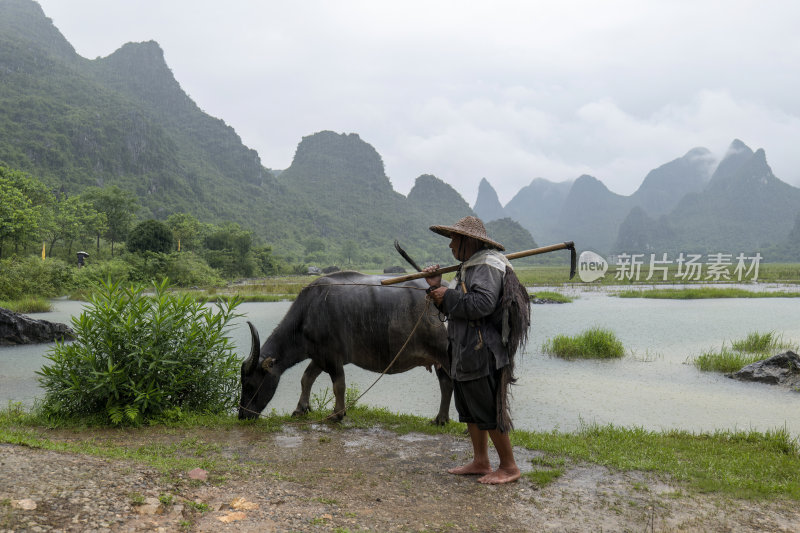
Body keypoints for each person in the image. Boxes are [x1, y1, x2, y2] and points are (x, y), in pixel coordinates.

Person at [423, 215, 528, 484]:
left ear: (468, 241)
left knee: (487, 408)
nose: (450, 246)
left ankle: (509, 467)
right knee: (470, 408)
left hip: (483, 350)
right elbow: (460, 304)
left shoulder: (487, 266)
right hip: (466, 349)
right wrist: (438, 288)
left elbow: (482, 303)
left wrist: (447, 295)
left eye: (454, 240)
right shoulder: (470, 266)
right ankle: (481, 461)